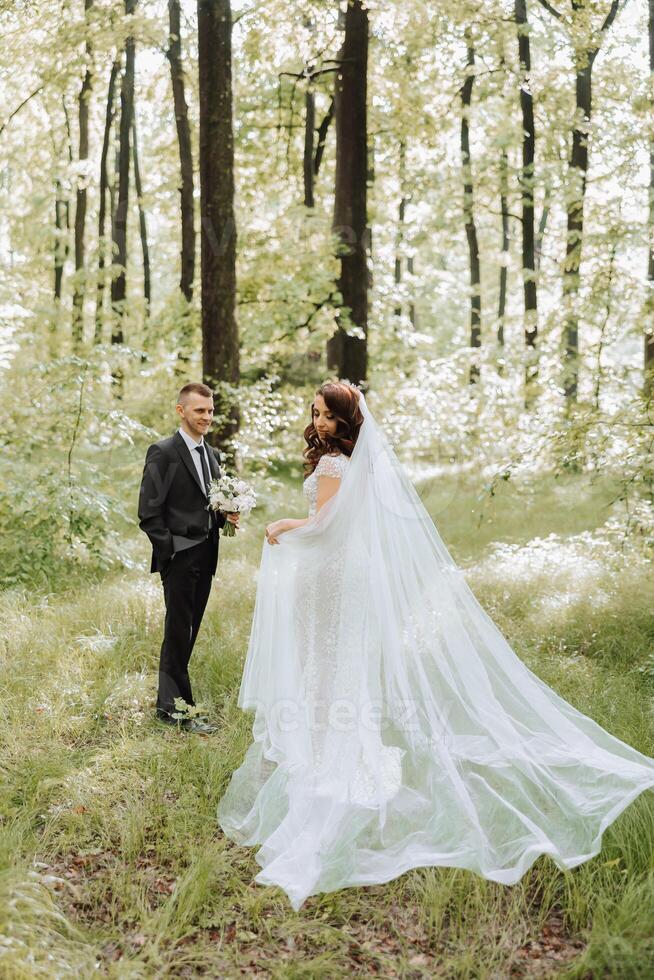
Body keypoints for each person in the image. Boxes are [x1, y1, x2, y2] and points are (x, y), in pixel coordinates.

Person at [217, 380, 654, 912]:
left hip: (330, 575)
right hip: (341, 574)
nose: (321, 423)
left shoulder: (333, 466)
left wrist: (285, 524)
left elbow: (323, 525)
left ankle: (325, 754)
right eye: (316, 414)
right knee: (331, 661)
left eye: (329, 416)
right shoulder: (351, 463)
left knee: (325, 660)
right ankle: (328, 745)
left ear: (347, 419)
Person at [138, 382, 239, 733]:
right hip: (179, 557)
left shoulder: (211, 454)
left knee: (189, 631)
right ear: (181, 411)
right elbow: (148, 513)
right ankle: (177, 710)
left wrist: (228, 514)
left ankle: (170, 705)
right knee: (178, 631)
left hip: (207, 555)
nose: (207, 417)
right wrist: (171, 552)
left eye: (210, 411)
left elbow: (212, 503)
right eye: (200, 410)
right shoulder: (162, 452)